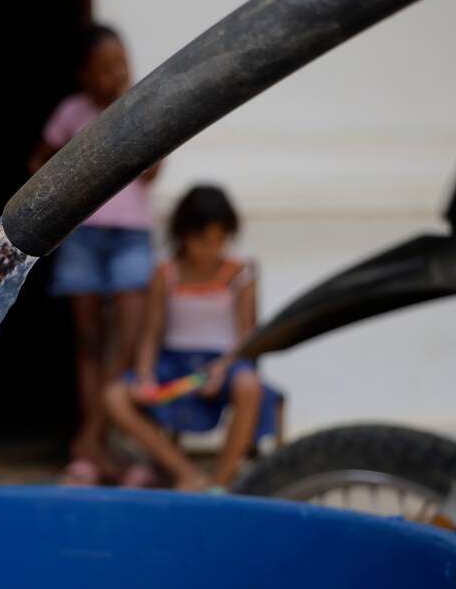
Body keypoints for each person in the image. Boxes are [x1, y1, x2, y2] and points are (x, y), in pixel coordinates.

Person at [29, 25, 160, 485]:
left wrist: (135, 123)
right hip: (82, 237)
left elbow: (153, 173)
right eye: (104, 67)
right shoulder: (71, 113)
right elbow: (37, 163)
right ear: (84, 73)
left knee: (123, 344)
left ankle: (94, 438)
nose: (115, 74)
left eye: (120, 63)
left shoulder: (141, 105)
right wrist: (58, 208)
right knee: (89, 344)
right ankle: (94, 453)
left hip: (130, 236)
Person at [104, 185, 277, 491]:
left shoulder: (240, 273)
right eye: (203, 240)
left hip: (223, 364)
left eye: (220, 240)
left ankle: (221, 482)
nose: (212, 249)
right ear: (184, 234)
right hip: (174, 366)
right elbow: (152, 332)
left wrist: (222, 368)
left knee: (249, 386)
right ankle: (186, 472)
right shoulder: (165, 272)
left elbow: (247, 337)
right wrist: (145, 374)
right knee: (115, 396)